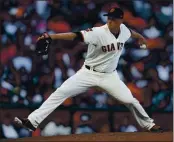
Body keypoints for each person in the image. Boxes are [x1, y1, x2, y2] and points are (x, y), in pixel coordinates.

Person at [14, 7, 163, 132]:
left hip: (109, 76)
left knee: (130, 100)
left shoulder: (124, 30)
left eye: (113, 18)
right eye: (108, 18)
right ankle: (32, 121)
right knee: (61, 92)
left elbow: (131, 32)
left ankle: (149, 125)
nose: (109, 20)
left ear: (120, 21)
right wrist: (51, 37)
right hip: (88, 73)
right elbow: (75, 35)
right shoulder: (98, 32)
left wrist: (141, 38)